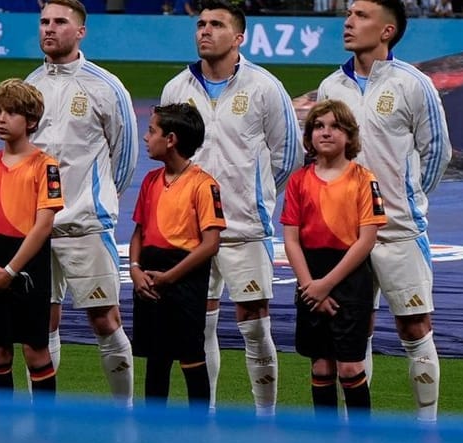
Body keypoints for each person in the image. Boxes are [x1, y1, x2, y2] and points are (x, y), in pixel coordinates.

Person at [161, 0, 299, 415]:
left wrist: (252, 196)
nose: (204, 30)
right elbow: (169, 156)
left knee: (255, 325)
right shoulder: (176, 89)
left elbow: (287, 154)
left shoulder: (264, 87)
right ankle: (206, 415)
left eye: (216, 24)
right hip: (189, 234)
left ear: (239, 37)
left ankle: (266, 419)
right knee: (199, 324)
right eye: (201, 24)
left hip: (244, 229)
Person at [316, 0, 451, 422]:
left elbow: (438, 153)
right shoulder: (329, 87)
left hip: (397, 231)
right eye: (349, 14)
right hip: (344, 235)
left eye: (361, 16)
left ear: (388, 30)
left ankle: (427, 429)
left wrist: (405, 199)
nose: (348, 22)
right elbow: (320, 158)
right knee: (356, 333)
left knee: (414, 327)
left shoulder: (414, 84)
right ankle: (358, 430)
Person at [27, 0, 139, 403]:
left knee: (104, 320)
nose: (49, 29)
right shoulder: (30, 86)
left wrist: (98, 202)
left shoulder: (105, 86)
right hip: (36, 232)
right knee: (41, 324)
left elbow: (123, 157)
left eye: (59, 22)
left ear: (81, 31)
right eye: (44, 22)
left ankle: (124, 413)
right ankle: (45, 415)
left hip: (86, 226)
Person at [281, 100, 385, 419]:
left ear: (349, 135)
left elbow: (366, 239)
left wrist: (326, 285)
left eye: (335, 126)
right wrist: (309, 285)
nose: (326, 132)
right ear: (309, 134)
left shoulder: (364, 179)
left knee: (350, 366)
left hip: (349, 280)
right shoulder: (298, 181)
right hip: (310, 276)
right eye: (318, 126)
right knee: (321, 365)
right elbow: (291, 238)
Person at [0, 78, 63, 399]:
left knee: (35, 351)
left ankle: (45, 429)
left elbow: (43, 225)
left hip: (28, 265)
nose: (1, 119)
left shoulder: (45, 166)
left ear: (31, 121)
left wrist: (10, 271)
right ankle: (3, 428)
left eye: (10, 113)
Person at [129, 104, 224, 408]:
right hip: (149, 275)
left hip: (183, 279)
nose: (146, 137)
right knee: (156, 358)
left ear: (170, 139)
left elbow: (210, 243)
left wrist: (170, 277)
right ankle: (152, 431)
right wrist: (134, 269)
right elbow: (139, 232)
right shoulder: (149, 181)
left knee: (191, 357)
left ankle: (198, 430)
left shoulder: (204, 185)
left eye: (151, 131)